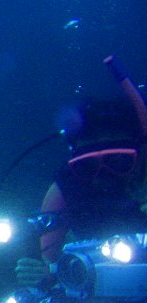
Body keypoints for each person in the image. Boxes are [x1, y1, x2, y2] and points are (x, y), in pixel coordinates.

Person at [15, 62, 147, 287]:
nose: (105, 174)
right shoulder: (68, 186)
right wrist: (41, 274)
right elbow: (49, 264)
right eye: (88, 166)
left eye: (118, 161)